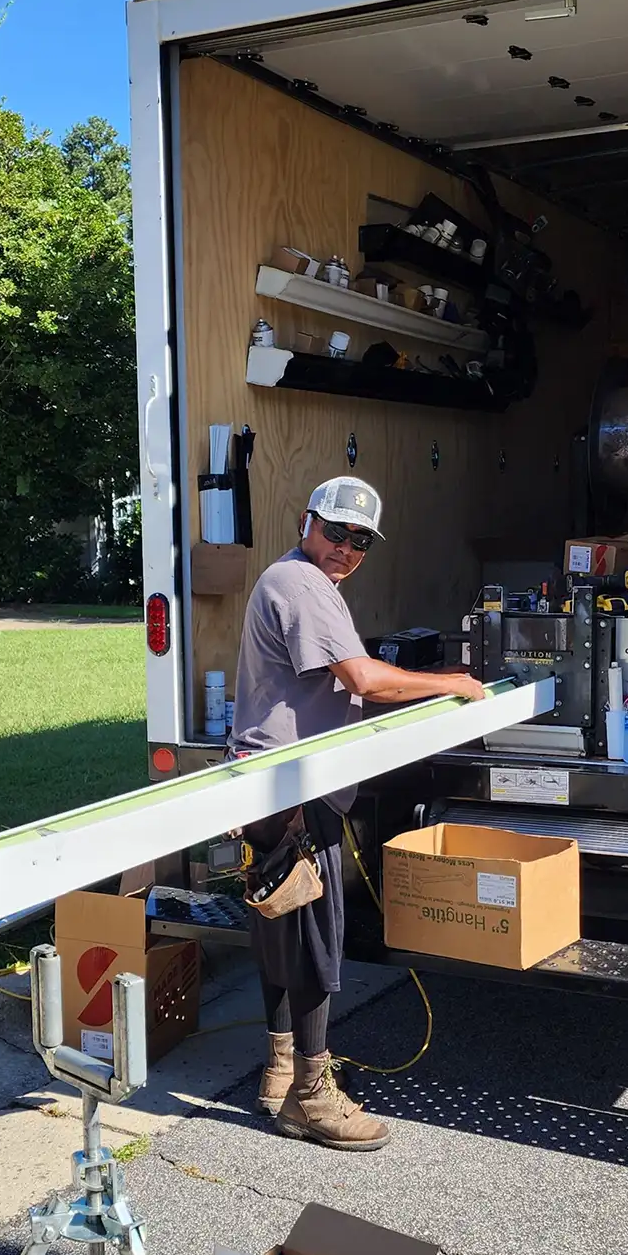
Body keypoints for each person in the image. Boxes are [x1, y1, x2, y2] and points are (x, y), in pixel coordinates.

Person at [229, 475, 485, 1153]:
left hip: (272, 785)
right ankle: (312, 1095)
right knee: (314, 939)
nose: (346, 547)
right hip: (294, 789)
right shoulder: (303, 585)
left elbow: (344, 680)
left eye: (360, 540)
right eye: (336, 531)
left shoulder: (296, 579)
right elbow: (366, 679)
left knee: (281, 926)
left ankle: (280, 1069)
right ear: (307, 521)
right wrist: (452, 684)